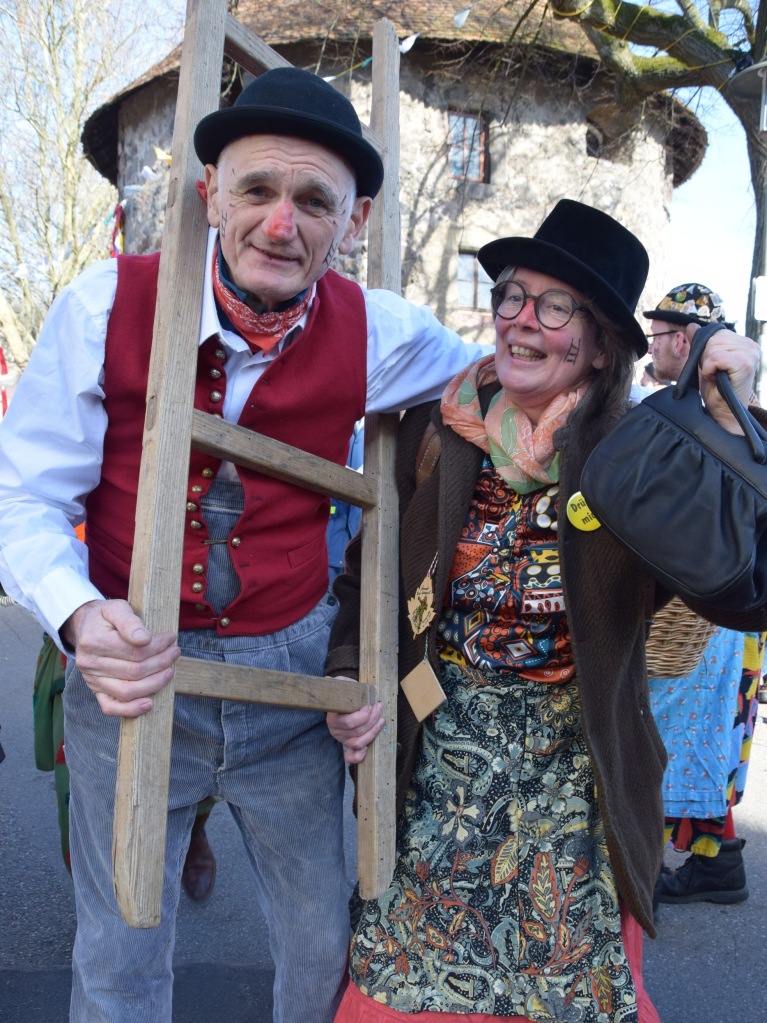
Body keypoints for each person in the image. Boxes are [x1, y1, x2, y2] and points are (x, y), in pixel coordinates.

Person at [0, 67, 491, 1023]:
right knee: (121, 947)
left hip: (294, 675)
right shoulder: (103, 306)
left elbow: (529, 379)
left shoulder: (384, 332)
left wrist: (705, 380)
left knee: (322, 942)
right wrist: (75, 614)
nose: (280, 224)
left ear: (350, 224)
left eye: (314, 201)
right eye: (256, 191)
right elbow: (19, 495)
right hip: (134, 666)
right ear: (207, 195)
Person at [324, 199, 766, 1023]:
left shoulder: (635, 461)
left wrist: (730, 423)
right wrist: (351, 671)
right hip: (438, 769)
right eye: (511, 295)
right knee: (400, 991)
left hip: (574, 779)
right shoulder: (436, 426)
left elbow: (734, 590)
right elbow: (367, 578)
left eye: (554, 305)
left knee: (562, 996)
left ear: (598, 343)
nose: (521, 321)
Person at [641, 284, 765, 907]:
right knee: (708, 738)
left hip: (700, 612)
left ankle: (666, 864)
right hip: (727, 609)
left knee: (677, 734)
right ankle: (719, 865)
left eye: (660, 334)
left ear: (684, 340)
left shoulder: (693, 409)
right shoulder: (731, 409)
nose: (652, 344)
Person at [643, 282, 732, 384]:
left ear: (678, 342)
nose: (649, 349)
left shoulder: (712, 398)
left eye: (654, 337)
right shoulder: (732, 394)